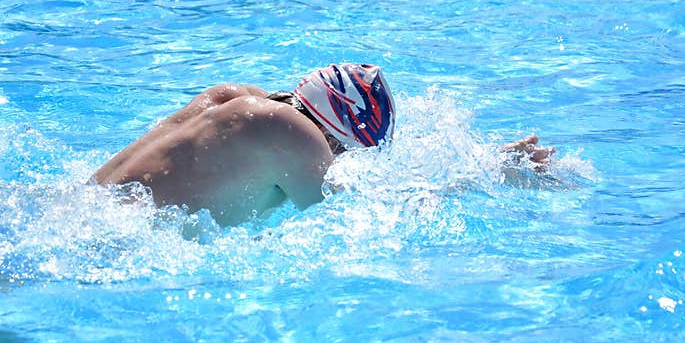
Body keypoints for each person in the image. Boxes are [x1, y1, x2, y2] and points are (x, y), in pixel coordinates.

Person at [91, 63, 554, 226]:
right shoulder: (289, 131)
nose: (336, 163)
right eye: (345, 154)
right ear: (336, 133)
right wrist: (489, 174)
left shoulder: (234, 99)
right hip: (101, 244)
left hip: (72, 205)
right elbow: (368, 213)